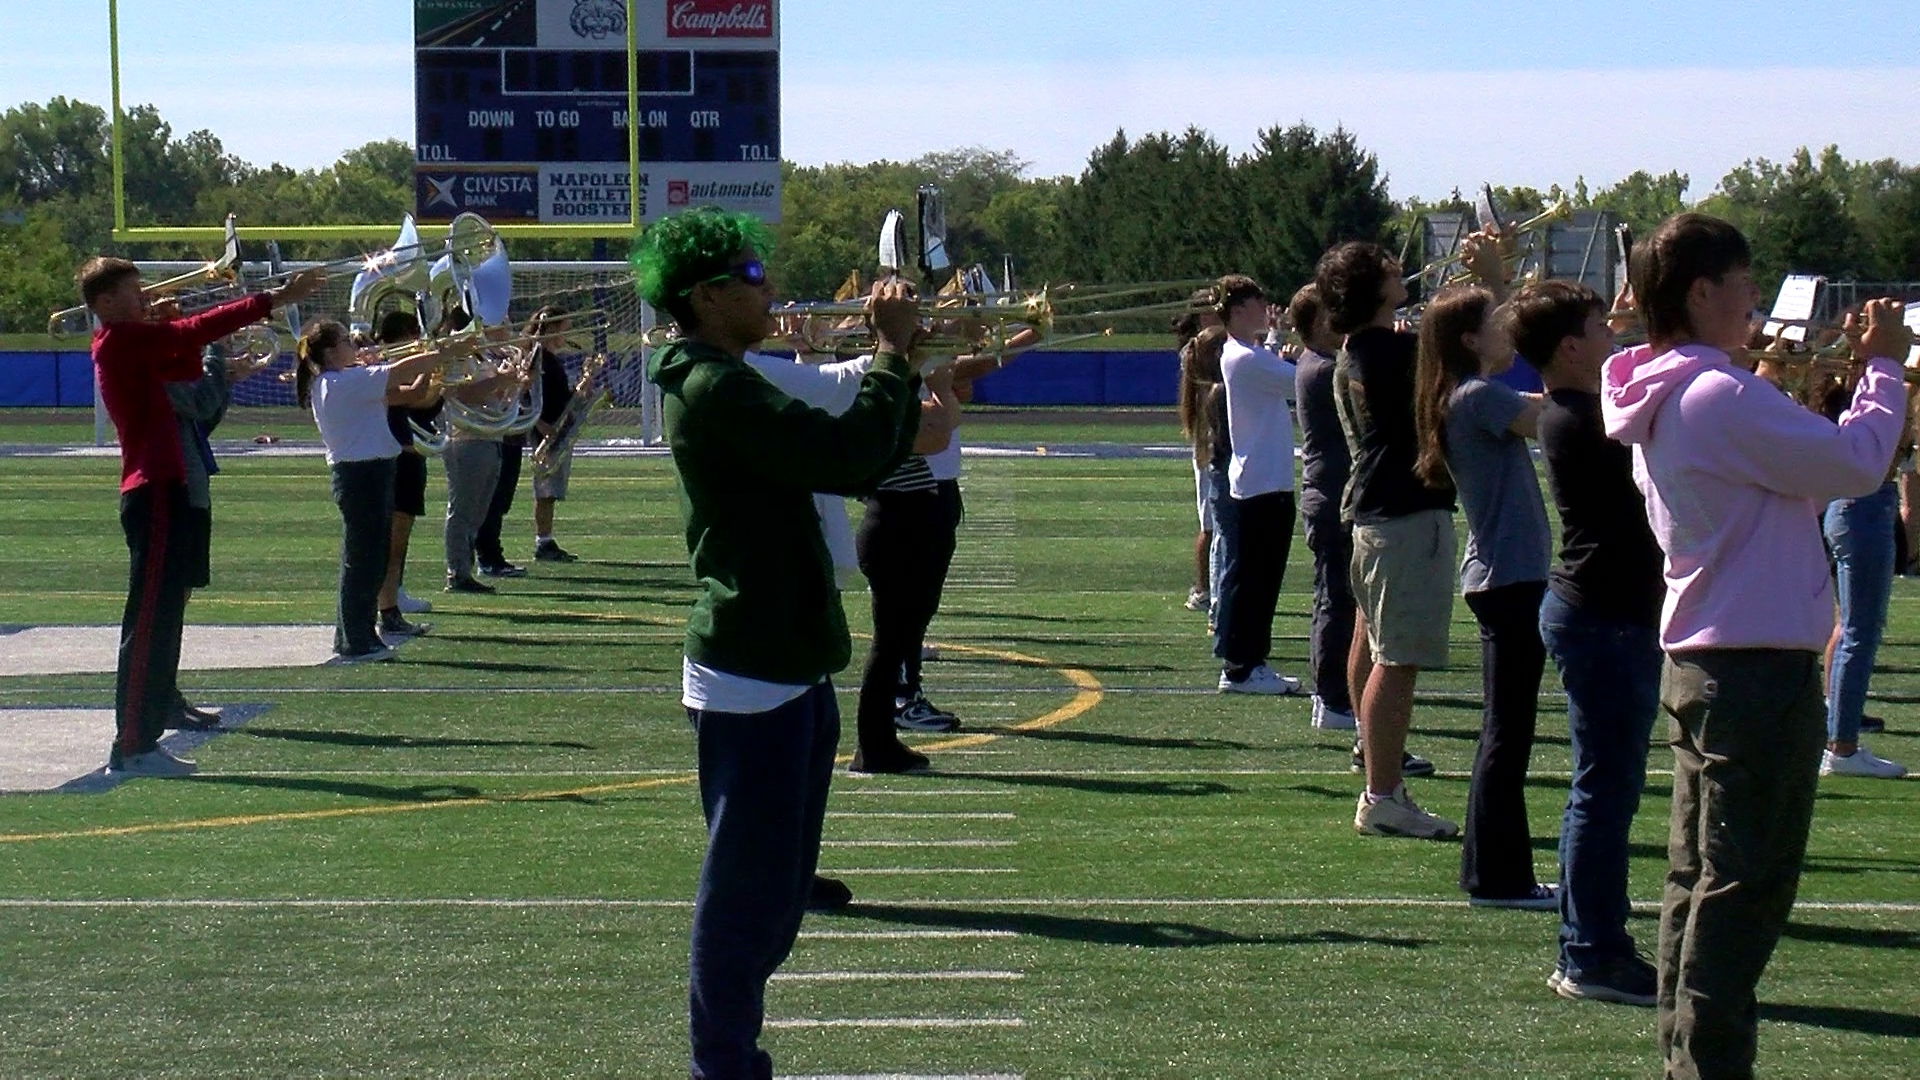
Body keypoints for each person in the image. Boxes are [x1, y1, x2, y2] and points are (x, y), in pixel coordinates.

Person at [1601, 212, 1910, 1078]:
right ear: (1701, 293)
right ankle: (1707, 1065)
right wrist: (1884, 366)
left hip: (1706, 659)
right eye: (1744, 287)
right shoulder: (1718, 394)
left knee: (1697, 879)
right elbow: (1857, 464)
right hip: (1755, 672)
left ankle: (1684, 1057)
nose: (1756, 306)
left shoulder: (1660, 388)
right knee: (1745, 888)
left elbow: (1796, 482)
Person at [634, 207, 923, 1080]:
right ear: (709, 295)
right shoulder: (716, 385)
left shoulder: (725, 371)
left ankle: (728, 1051)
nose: (770, 286)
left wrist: (895, 375)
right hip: (753, 663)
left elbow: (856, 442)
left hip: (788, 656)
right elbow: (846, 457)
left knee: (780, 891)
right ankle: (722, 1065)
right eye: (754, 275)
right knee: (744, 898)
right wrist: (893, 353)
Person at [79, 256, 321, 776]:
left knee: (164, 618)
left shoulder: (139, 338)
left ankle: (144, 738)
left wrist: (170, 331)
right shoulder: (119, 340)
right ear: (104, 304)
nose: (144, 297)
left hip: (172, 486)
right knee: (148, 621)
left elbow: (189, 373)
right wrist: (275, 298)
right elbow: (199, 328)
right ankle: (131, 745)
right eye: (132, 291)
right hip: (155, 486)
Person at [1512, 280, 1666, 1005]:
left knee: (1601, 790)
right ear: (1571, 346)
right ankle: (1590, 952)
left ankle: (1590, 940)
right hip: (1605, 618)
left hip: (1602, 613)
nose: (1613, 335)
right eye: (1601, 327)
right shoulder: (1582, 417)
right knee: (1604, 794)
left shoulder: (1575, 407)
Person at [1412, 285, 1556, 907]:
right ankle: (1500, 878)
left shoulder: (1474, 395)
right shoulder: (1475, 397)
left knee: (1507, 732)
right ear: (1469, 340)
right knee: (1506, 734)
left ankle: (1491, 872)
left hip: (1505, 578)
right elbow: (1558, 417)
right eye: (1497, 324)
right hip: (1508, 580)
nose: (1508, 333)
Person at [1320, 240, 1461, 838]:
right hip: (1401, 517)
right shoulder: (1392, 351)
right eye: (1387, 268)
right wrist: (1489, 280)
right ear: (1371, 288)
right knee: (1397, 660)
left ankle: (1372, 759)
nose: (1398, 269)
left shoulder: (1361, 348)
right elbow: (1483, 351)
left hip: (1374, 515)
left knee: (1371, 642)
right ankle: (1382, 794)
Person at [297, 318, 454, 663]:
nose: (356, 347)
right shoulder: (342, 381)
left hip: (373, 472)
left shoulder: (346, 380)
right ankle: (355, 639)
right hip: (361, 475)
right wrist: (440, 351)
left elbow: (411, 394)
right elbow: (399, 370)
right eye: (346, 342)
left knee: (370, 558)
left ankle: (357, 635)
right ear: (331, 351)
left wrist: (434, 362)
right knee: (363, 561)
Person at [849, 361, 961, 773]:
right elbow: (937, 434)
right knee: (890, 645)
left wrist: (941, 389)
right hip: (897, 526)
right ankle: (874, 745)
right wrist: (940, 388)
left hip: (902, 523)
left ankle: (878, 743)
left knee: (897, 640)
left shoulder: (893, 404)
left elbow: (946, 418)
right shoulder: (885, 408)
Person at [1210, 274, 1302, 695]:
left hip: (1266, 478)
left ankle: (1248, 660)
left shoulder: (1246, 353)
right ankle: (1241, 664)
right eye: (1259, 302)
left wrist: (1277, 342)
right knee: (1254, 580)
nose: (1267, 308)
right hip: (1261, 481)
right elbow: (1297, 382)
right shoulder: (1243, 358)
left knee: (1260, 577)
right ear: (1240, 309)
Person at [161, 340, 257, 731]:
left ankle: (166, 692)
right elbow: (198, 404)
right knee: (167, 607)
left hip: (192, 489)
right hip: (174, 491)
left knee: (177, 603)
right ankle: (158, 696)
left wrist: (223, 379)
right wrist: (216, 357)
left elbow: (204, 420)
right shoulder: (149, 366)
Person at [1818, 375, 1911, 779]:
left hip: (1859, 505)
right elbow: (1891, 444)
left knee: (1850, 628)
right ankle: (1842, 745)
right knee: (1861, 630)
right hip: (1864, 506)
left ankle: (1838, 735)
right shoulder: (1870, 401)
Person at [1290, 284, 1358, 730]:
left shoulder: (1314, 363)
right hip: (1333, 494)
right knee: (1338, 600)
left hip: (1325, 492)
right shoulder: (1323, 369)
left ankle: (1329, 695)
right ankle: (1334, 698)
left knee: (1331, 597)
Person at [372, 310, 437, 639]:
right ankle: (386, 607)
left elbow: (417, 396)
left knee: (399, 540)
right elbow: (408, 395)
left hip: (407, 455)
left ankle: (393, 597)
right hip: (393, 458)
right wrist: (428, 364)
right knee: (390, 542)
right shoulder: (375, 371)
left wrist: (432, 371)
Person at [1174, 294, 1225, 612]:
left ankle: (1213, 587)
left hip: (1214, 436)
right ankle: (1203, 588)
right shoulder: (1198, 351)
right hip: (1209, 438)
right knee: (1209, 522)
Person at [527, 309, 582, 563]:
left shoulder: (551, 358)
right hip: (545, 431)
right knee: (545, 489)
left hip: (557, 428)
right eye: (563, 328)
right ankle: (543, 541)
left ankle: (546, 539)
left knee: (552, 489)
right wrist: (539, 424)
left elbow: (559, 396)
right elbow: (524, 396)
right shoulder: (537, 357)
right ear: (550, 329)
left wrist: (581, 389)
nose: (566, 335)